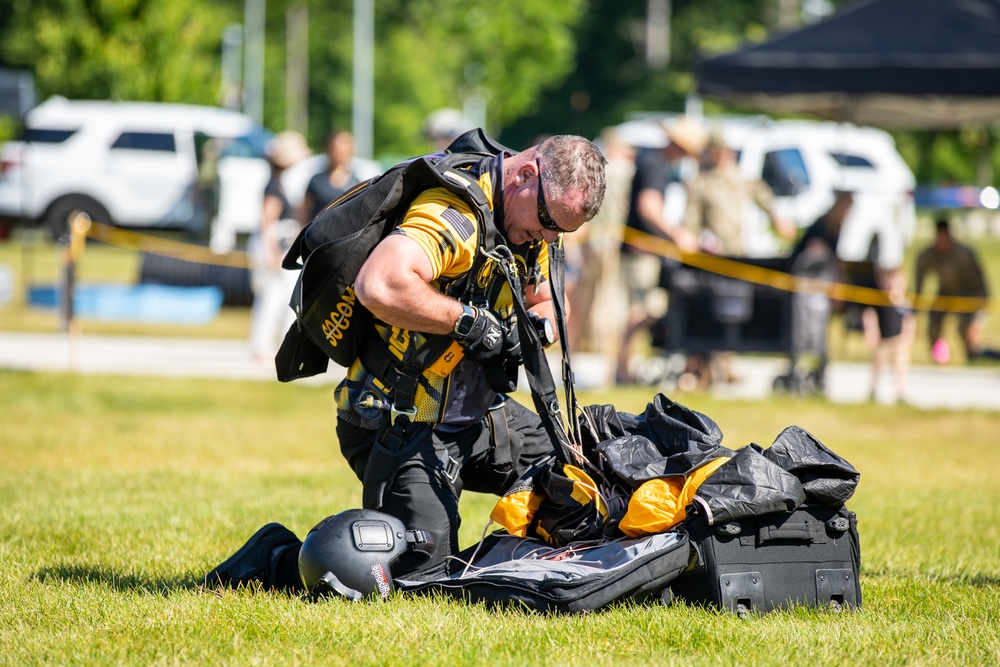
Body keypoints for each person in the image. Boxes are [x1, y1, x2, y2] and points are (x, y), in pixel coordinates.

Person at [204, 134, 608, 592]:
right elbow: (380, 285)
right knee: (421, 581)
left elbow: (547, 300)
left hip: (480, 418)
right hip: (399, 423)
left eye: (562, 231)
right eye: (548, 222)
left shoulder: (528, 221)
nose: (551, 236)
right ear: (526, 175)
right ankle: (276, 560)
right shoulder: (452, 216)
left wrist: (540, 328)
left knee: (580, 491)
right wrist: (469, 322)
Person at [615, 116, 707, 385]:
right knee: (641, 310)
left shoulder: (652, 161)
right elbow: (649, 206)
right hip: (642, 251)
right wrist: (677, 234)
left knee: (643, 310)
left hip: (644, 250)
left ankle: (623, 368)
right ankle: (622, 369)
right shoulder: (655, 165)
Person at [564, 127, 635, 378]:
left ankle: (572, 350)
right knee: (608, 297)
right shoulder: (622, 171)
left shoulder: (599, 170)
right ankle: (607, 356)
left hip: (593, 240)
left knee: (584, 296)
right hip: (611, 241)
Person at [248, 130, 312, 362]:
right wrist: (272, 252)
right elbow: (268, 222)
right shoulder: (273, 187)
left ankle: (272, 344)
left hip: (281, 242)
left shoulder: (281, 184)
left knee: (280, 295)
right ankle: (262, 344)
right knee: (272, 295)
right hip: (274, 243)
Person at [780, 191, 853, 393]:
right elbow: (816, 255)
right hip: (805, 285)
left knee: (818, 335)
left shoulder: (835, 227)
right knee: (801, 333)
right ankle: (797, 373)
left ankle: (816, 373)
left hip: (819, 289)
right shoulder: (822, 226)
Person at [914, 218, 991, 363]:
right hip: (946, 293)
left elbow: (980, 280)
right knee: (934, 322)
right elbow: (920, 277)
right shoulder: (929, 255)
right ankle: (940, 356)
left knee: (965, 328)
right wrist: (916, 305)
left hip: (970, 294)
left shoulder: (964, 254)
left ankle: (973, 355)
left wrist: (982, 303)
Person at [862, 266, 916, 403]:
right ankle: (873, 391)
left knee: (900, 369)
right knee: (877, 367)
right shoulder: (880, 301)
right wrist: (871, 330)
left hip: (899, 341)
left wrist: (909, 336)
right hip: (883, 342)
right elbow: (870, 316)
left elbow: (910, 321)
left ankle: (901, 394)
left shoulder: (904, 303)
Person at [298, 130, 365, 225]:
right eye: (336, 149)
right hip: (315, 233)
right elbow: (304, 211)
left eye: (344, 150)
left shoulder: (356, 183)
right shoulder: (316, 181)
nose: (339, 154)